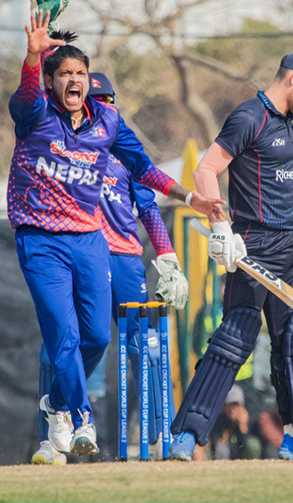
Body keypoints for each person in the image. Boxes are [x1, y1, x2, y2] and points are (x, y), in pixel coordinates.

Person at [10, 10, 219, 458]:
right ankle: (82, 420)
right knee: (63, 336)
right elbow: (26, 92)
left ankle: (58, 404)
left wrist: (190, 200)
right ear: (50, 82)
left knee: (99, 339)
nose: (75, 80)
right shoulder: (34, 114)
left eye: (81, 73)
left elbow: (144, 170)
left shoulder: (107, 125)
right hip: (40, 240)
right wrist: (32, 56)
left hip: (90, 241)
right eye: (64, 73)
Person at [169, 51, 293, 461]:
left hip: (292, 246)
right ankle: (187, 434)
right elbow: (206, 171)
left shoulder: (287, 124)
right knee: (235, 338)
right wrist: (222, 227)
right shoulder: (249, 117)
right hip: (253, 245)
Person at [30, 72, 190, 465]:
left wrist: (168, 259)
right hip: (77, 254)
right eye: (94, 100)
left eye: (105, 100)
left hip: (123, 259)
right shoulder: (65, 146)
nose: (100, 107)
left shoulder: (123, 150)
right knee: (61, 345)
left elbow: (149, 207)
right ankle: (50, 442)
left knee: (143, 346)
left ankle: (158, 436)